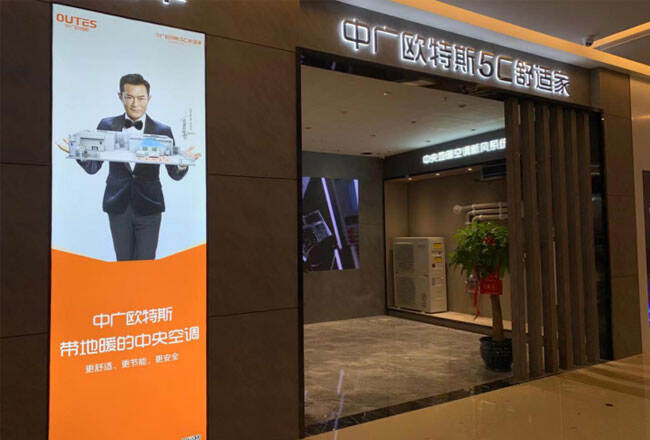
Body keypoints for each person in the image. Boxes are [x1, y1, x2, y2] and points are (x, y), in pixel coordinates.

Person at [57, 73, 200, 261]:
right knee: (123, 263)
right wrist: (77, 152)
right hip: (118, 205)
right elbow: (93, 167)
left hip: (150, 206)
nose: (135, 104)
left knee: (146, 264)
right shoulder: (107, 124)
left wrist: (182, 163)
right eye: (129, 97)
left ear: (149, 98)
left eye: (141, 98)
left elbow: (174, 173)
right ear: (120, 97)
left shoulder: (162, 130)